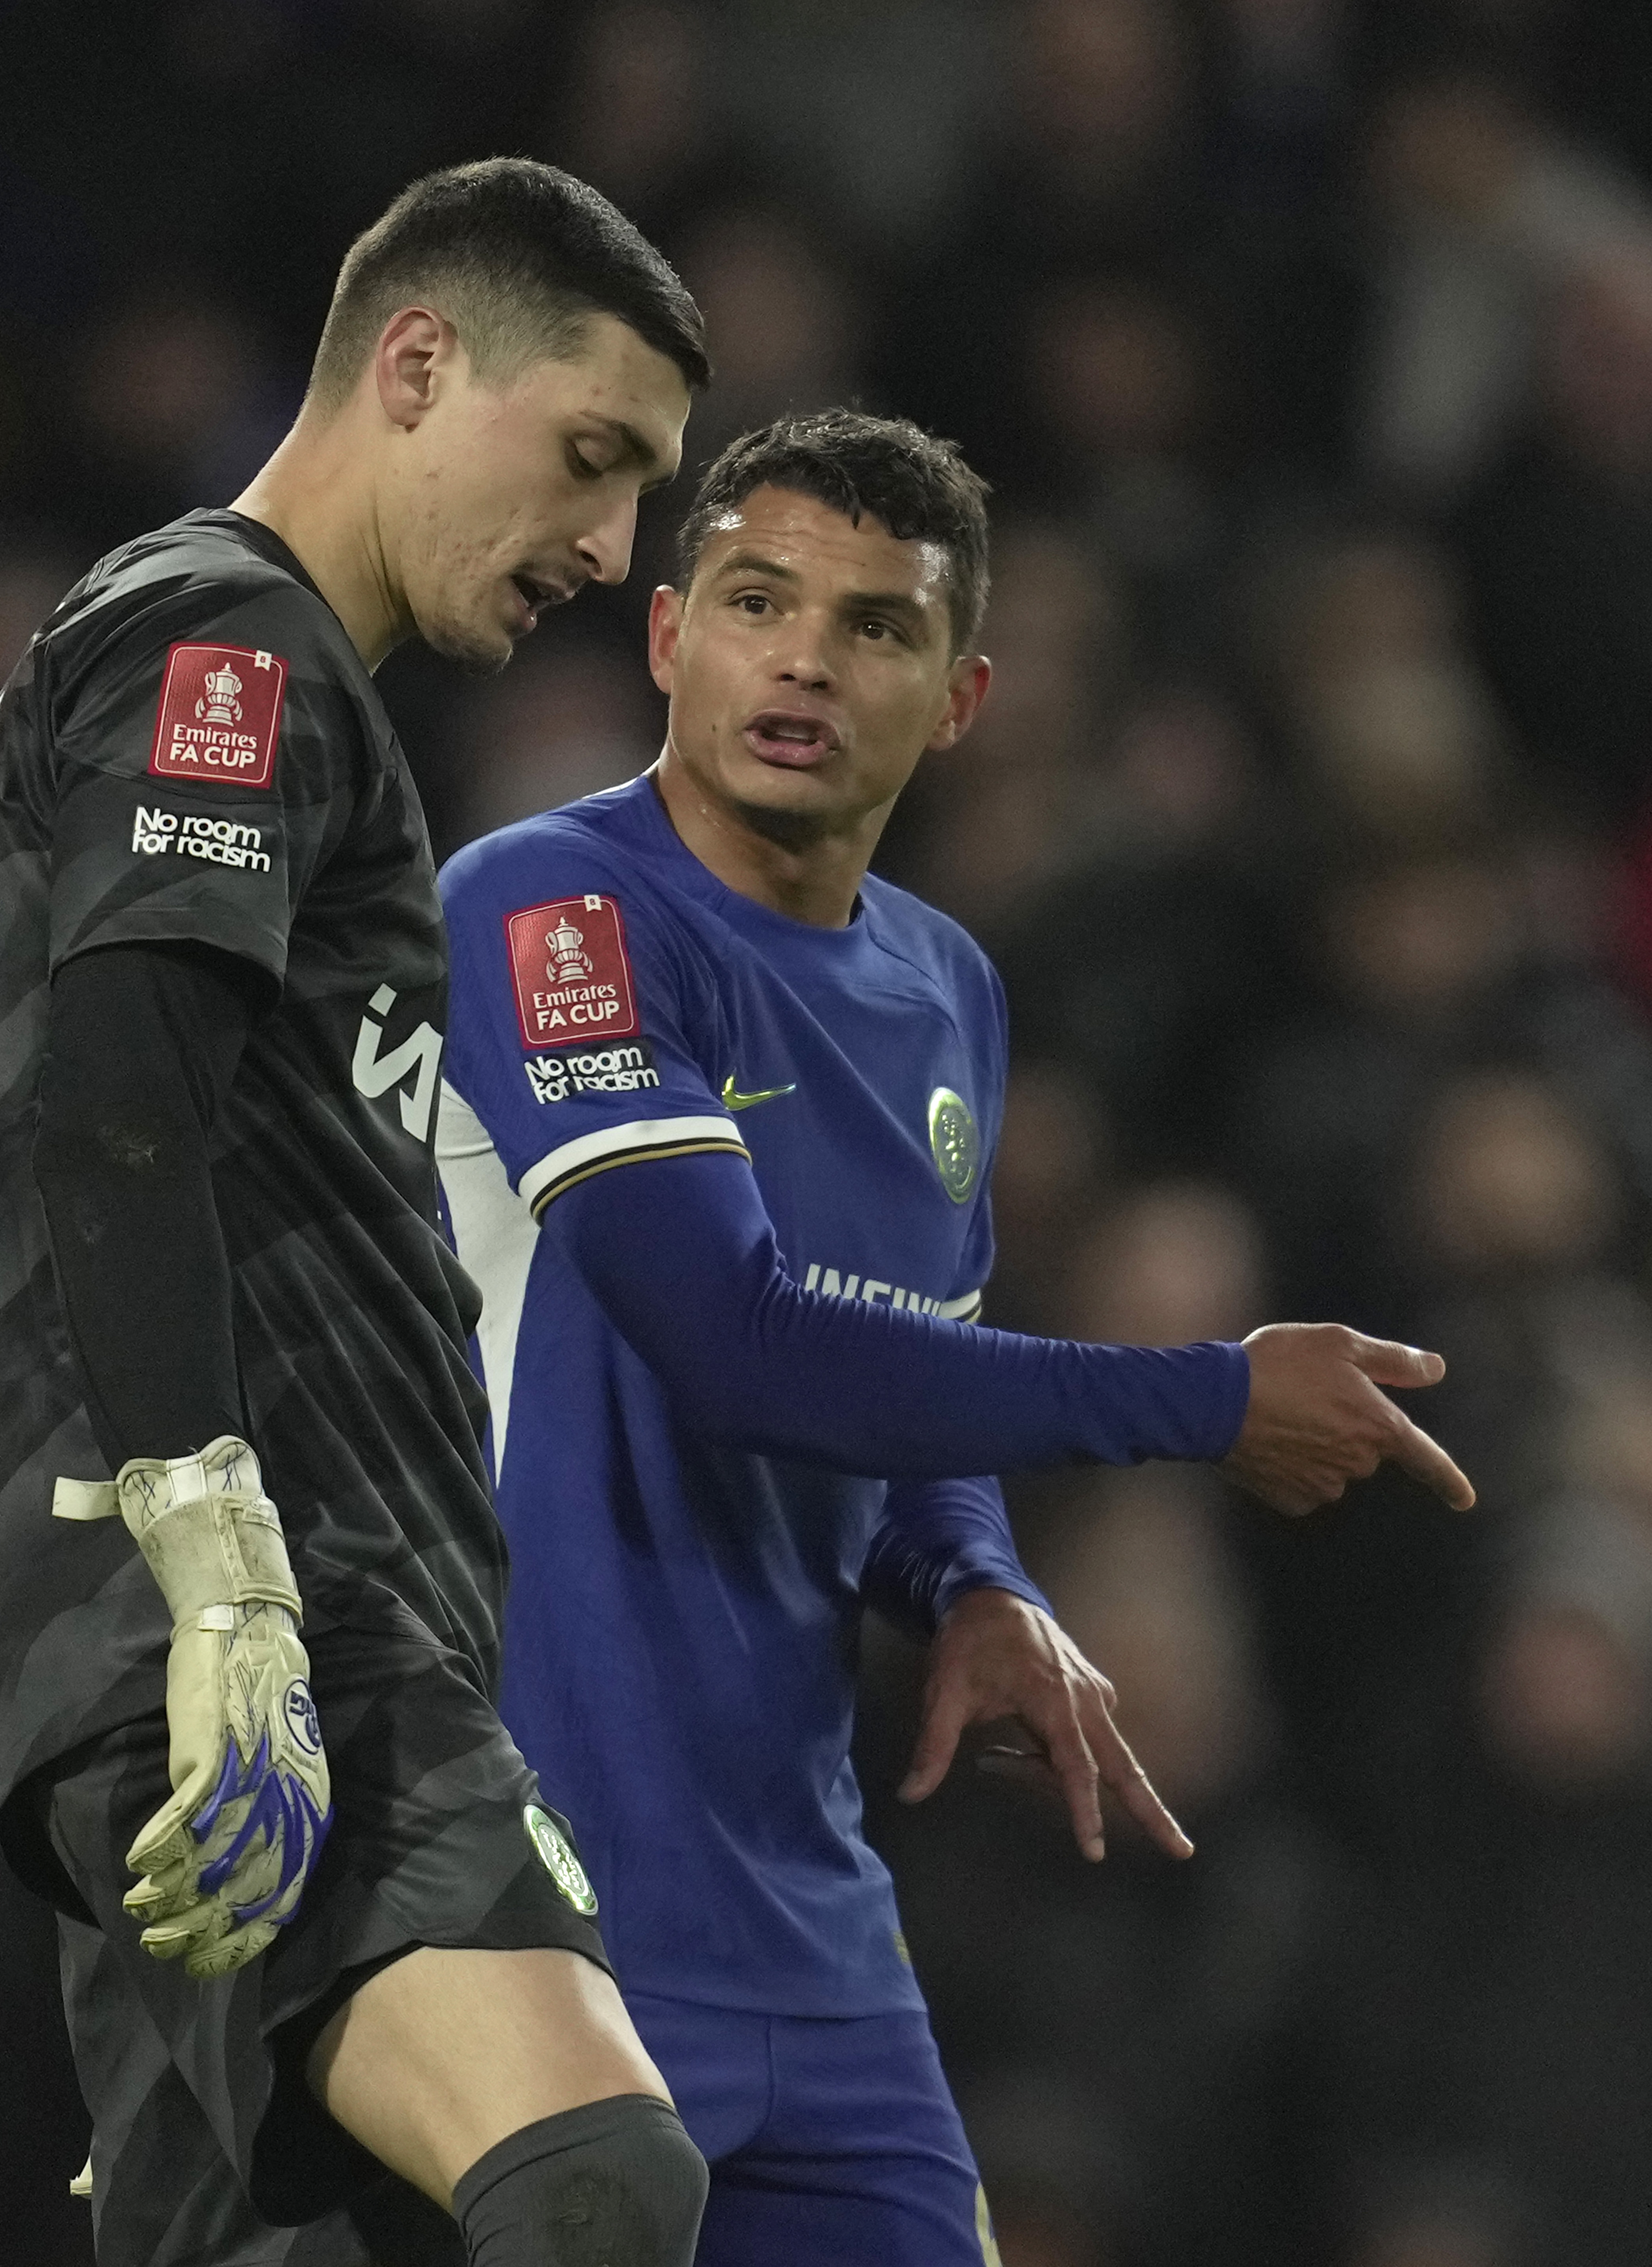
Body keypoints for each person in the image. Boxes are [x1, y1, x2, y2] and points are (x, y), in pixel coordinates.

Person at [430, 409, 1474, 2262]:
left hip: (804, 1909)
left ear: (965, 695)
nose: (808, 660)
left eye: (876, 626)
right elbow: (734, 1339)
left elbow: (901, 1390)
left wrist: (982, 1581)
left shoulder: (948, 991)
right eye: (758, 603)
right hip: (527, 1896)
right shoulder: (550, 906)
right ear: (670, 640)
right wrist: (1206, 1396)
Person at [0, 160, 713, 2265]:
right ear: (413, 365)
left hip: (217, 1643)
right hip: (269, 1622)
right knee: (594, 2179)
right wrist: (228, 1583)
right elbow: (118, 1106)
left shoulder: (248, 678)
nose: (611, 549)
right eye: (589, 460)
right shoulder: (231, 629)